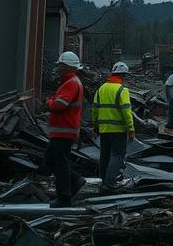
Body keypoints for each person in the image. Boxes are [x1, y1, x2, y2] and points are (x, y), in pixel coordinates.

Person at [44, 51, 86, 207]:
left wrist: (48, 102)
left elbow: (59, 105)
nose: (58, 68)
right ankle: (76, 180)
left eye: (60, 65)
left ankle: (64, 198)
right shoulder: (70, 82)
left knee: (59, 163)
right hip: (63, 130)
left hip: (64, 130)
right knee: (52, 161)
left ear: (67, 67)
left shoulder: (71, 83)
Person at [93, 61, 135, 193]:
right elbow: (126, 112)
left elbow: (95, 110)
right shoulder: (122, 90)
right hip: (118, 130)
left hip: (104, 129)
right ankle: (109, 183)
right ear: (123, 75)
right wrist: (131, 128)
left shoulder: (101, 89)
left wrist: (96, 125)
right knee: (117, 155)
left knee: (105, 155)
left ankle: (103, 180)